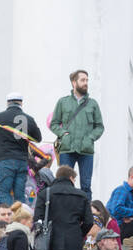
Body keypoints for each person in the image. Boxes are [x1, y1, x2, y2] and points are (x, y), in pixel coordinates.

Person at [49, 70, 104, 199]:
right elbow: (54, 124)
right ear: (74, 83)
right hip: (67, 149)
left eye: (87, 80)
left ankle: (85, 215)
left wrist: (90, 138)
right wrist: (63, 134)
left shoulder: (93, 104)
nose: (86, 83)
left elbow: (99, 127)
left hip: (86, 150)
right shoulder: (63, 102)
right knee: (63, 184)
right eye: (82, 80)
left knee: (86, 186)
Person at [0, 94, 42, 206]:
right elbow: (38, 138)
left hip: (5, 161)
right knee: (20, 195)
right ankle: (19, 219)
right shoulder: (29, 119)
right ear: (21, 103)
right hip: (22, 161)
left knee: (4, 193)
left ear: (8, 103)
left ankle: (9, 220)